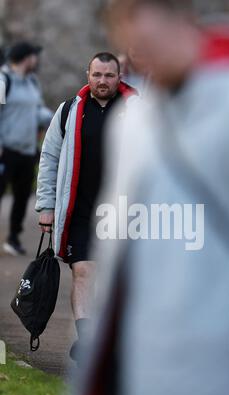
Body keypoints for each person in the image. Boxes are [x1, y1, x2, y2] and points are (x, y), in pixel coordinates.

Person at [68, 1, 229, 395]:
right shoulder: (133, 121)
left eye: (149, 37)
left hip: (215, 325)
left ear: (185, 21)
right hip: (139, 332)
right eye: (128, 39)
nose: (139, 53)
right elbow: (119, 237)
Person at [35, 52, 137, 362]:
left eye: (109, 75)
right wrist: (46, 205)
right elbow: (50, 158)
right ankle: (88, 337)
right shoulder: (69, 111)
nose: (102, 81)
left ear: (119, 76)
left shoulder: (140, 111)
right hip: (78, 210)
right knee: (83, 272)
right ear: (87, 75)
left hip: (124, 211)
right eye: (97, 75)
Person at [0, 41, 53, 255]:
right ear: (27, 57)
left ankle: (13, 237)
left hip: (28, 150)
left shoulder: (32, 82)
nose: (37, 60)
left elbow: (37, 111)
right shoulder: (4, 80)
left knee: (22, 196)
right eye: (35, 56)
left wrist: (61, 116)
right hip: (6, 151)